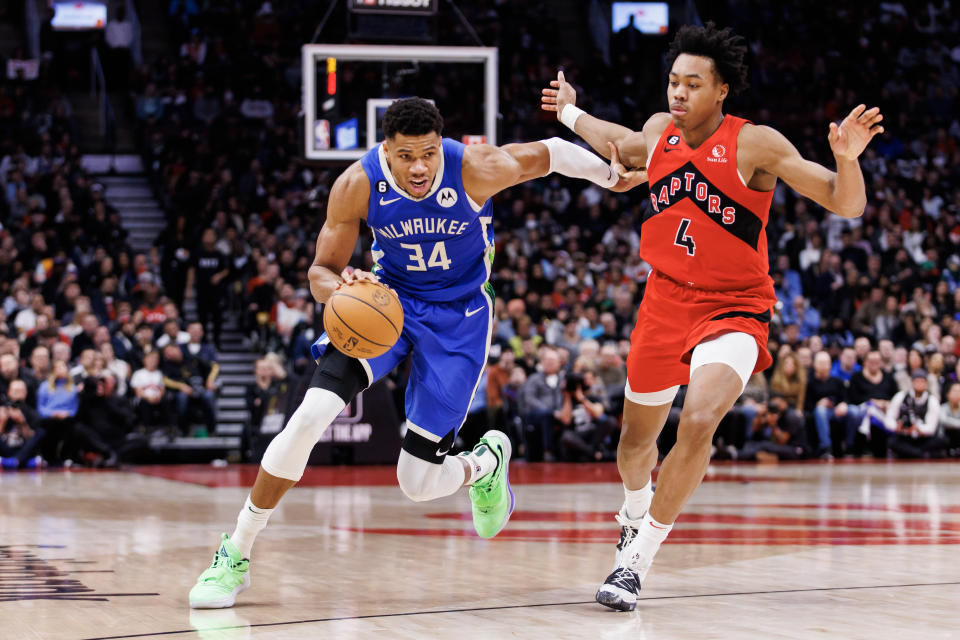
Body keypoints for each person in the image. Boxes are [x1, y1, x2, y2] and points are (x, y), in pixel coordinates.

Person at [189, 97, 636, 608]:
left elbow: (552, 152)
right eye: (406, 156)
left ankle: (484, 463)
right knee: (307, 418)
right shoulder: (357, 184)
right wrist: (338, 288)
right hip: (387, 306)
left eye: (428, 154)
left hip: (459, 319)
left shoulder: (476, 168)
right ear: (386, 150)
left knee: (417, 484)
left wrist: (609, 177)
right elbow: (319, 272)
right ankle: (235, 553)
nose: (420, 167)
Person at [541, 22, 883, 611]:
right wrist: (571, 113)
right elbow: (615, 140)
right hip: (664, 300)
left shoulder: (756, 144)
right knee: (632, 446)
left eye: (692, 84)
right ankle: (632, 513)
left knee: (698, 420)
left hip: (735, 307)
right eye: (673, 82)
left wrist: (846, 159)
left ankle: (635, 561)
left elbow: (845, 202)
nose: (677, 93)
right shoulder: (659, 133)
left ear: (721, 90)